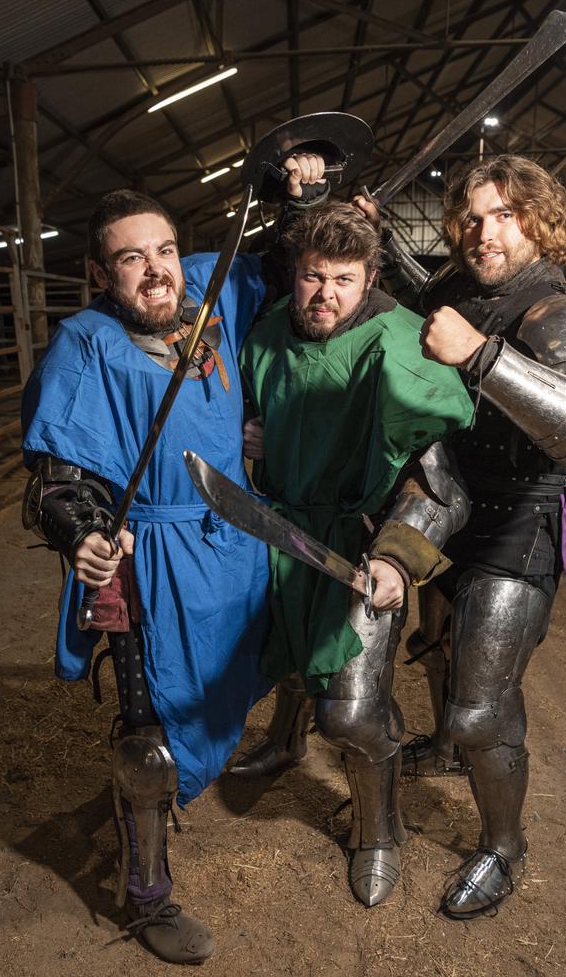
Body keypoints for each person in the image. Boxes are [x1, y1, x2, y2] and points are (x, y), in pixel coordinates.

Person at [20, 158, 327, 963]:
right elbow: (56, 480)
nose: (155, 270)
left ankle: (193, 774)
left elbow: (287, 257)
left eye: (162, 249)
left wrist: (302, 191)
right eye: (130, 258)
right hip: (145, 559)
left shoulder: (208, 287)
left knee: (236, 677)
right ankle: (147, 895)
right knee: (145, 737)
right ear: (100, 272)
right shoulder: (84, 345)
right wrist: (84, 532)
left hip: (232, 542)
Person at [371, 154, 566, 918]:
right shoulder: (459, 288)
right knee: (436, 648)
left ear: (540, 223)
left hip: (526, 516)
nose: (487, 233)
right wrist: (375, 227)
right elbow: (426, 298)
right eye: (474, 219)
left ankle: (504, 847)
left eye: (507, 217)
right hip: (450, 500)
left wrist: (482, 357)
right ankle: (448, 753)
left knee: (482, 707)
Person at [230, 199, 474, 907]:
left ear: (370, 276)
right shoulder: (269, 331)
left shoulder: (400, 346)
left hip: (362, 541)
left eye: (343, 278)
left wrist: (397, 558)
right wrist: (247, 432)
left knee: (354, 715)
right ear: (293, 275)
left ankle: (379, 830)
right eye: (312, 276)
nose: (325, 294)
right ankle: (284, 741)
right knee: (286, 651)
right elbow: (247, 406)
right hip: (282, 527)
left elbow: (439, 479)